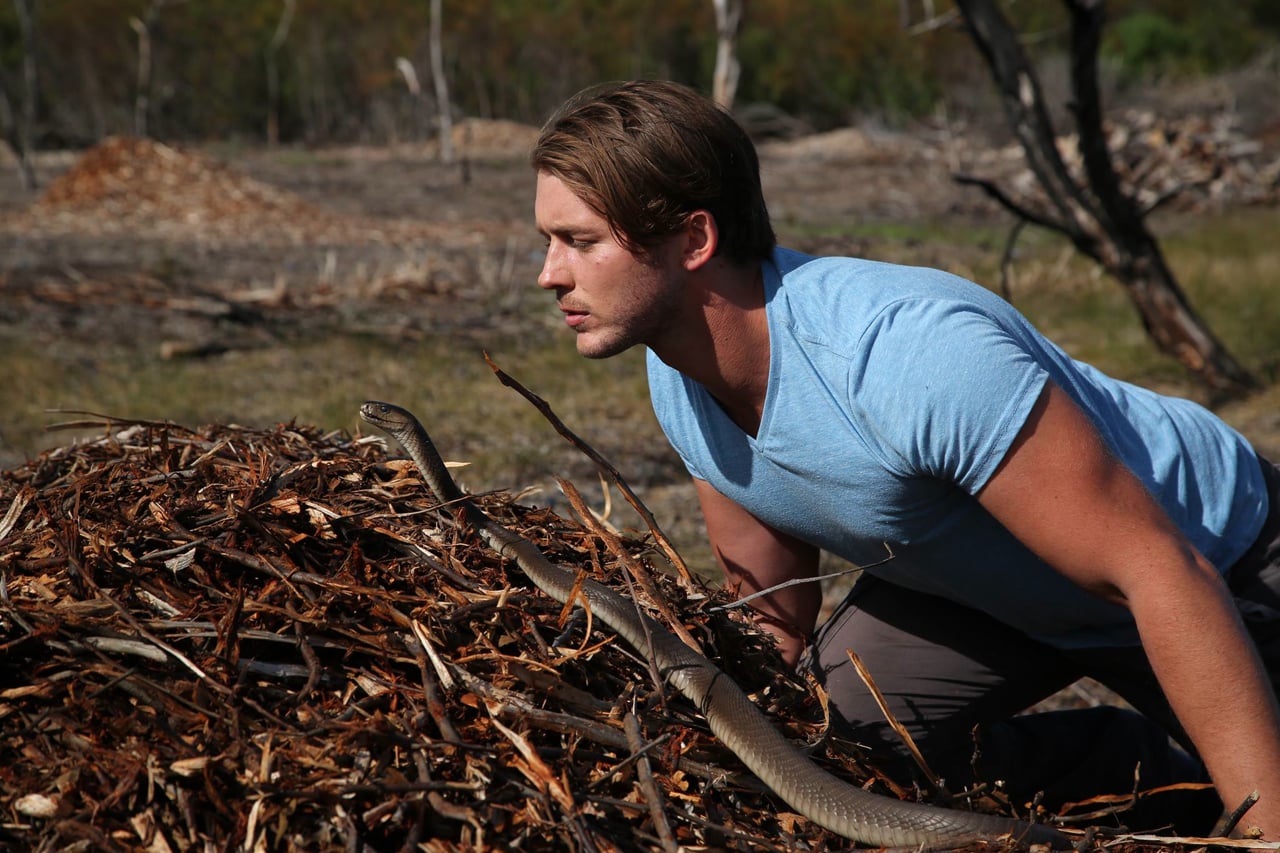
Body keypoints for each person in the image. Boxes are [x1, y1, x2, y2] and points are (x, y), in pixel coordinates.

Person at [529, 79, 1280, 836]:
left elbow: (1161, 570)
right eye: (548, 241)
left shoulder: (901, 354)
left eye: (580, 241)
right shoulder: (679, 373)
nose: (549, 274)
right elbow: (772, 611)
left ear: (694, 240)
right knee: (831, 760)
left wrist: (1267, 832)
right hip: (971, 592)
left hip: (1213, 567)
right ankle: (1139, 783)